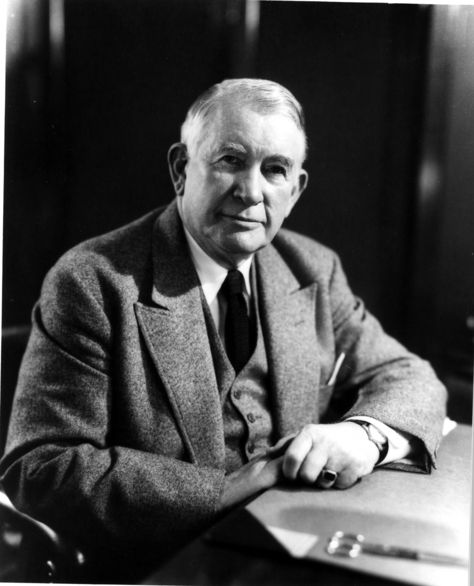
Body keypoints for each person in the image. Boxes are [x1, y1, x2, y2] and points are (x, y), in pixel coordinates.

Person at [0, 79, 446, 582]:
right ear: (180, 169)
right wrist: (242, 482)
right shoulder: (92, 281)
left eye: (274, 170)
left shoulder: (313, 270)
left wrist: (364, 437)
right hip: (165, 566)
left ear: (295, 190)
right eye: (230, 160)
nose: (250, 191)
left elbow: (410, 376)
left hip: (293, 553)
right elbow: (41, 470)